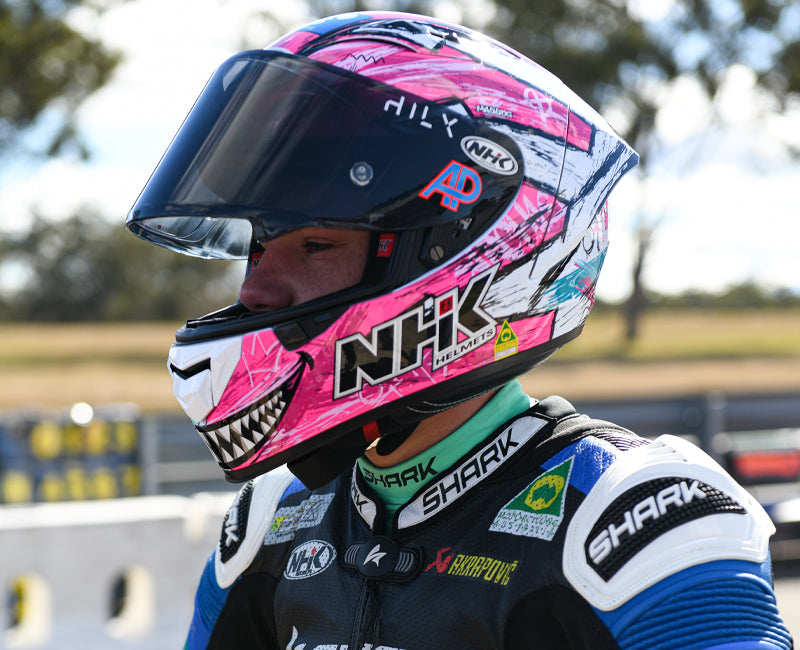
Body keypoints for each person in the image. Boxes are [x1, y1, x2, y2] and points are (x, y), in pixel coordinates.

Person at [126, 11, 793, 649]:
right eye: (259, 248)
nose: (254, 291)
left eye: (316, 245)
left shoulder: (637, 523)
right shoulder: (269, 522)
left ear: (457, 252)